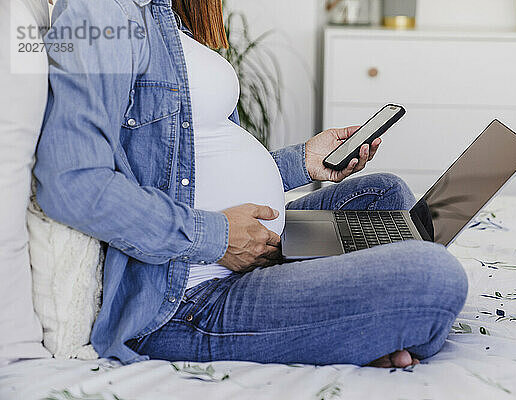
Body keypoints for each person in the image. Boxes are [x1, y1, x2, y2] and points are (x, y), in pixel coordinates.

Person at [34, 0, 468, 368]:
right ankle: (361, 329)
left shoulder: (168, 15)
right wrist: (218, 237)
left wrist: (303, 162)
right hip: (191, 293)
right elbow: (72, 184)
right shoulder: (102, 13)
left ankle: (352, 326)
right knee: (434, 278)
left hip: (263, 247)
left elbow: (190, 163)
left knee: (383, 195)